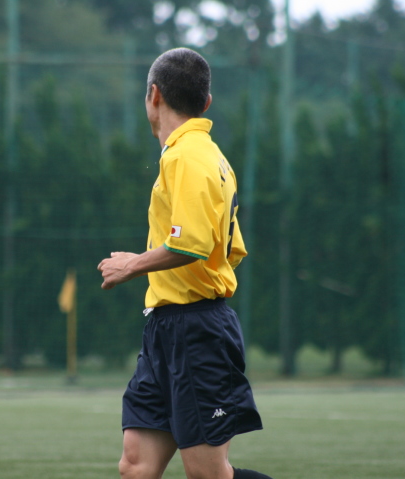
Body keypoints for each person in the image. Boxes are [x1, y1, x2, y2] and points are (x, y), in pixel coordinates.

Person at [97, 48, 272, 479]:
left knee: (208, 474)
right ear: (206, 102)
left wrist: (132, 265)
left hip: (196, 333)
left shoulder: (187, 156)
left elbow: (190, 244)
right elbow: (229, 250)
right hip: (168, 328)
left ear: (153, 95)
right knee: (136, 466)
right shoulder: (204, 155)